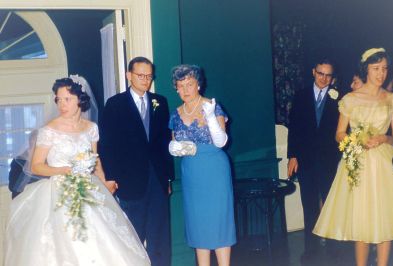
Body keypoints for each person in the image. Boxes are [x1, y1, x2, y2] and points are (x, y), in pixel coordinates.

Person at [4, 77, 150, 266]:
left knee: (102, 240)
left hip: (88, 189)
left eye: (67, 99)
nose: (61, 104)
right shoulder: (49, 130)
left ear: (80, 100)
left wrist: (105, 181)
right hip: (59, 192)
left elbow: (94, 160)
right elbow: (36, 166)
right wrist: (65, 170)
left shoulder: (91, 128)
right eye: (58, 99)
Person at [313, 48, 393, 266]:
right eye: (376, 69)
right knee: (361, 220)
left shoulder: (391, 98)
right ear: (366, 70)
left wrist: (383, 138)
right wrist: (358, 140)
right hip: (358, 163)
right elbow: (339, 134)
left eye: (384, 69)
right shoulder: (351, 99)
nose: (381, 74)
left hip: (383, 163)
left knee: (386, 220)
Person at [99, 56, 174, 266]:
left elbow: (164, 143)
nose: (145, 80)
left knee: (159, 234)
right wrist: (112, 177)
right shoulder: (115, 104)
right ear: (129, 75)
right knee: (133, 234)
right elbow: (107, 144)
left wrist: (167, 178)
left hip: (157, 179)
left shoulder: (161, 102)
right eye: (140, 75)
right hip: (129, 180)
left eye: (149, 76)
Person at [168, 64, 236, 266]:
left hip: (214, 170)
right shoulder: (175, 114)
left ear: (198, 84)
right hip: (192, 173)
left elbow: (221, 141)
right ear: (176, 88)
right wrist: (175, 147)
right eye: (181, 85)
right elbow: (176, 144)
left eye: (190, 84)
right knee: (199, 225)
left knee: (219, 223)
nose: (186, 89)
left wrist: (210, 118)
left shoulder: (212, 106)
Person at [287, 58, 341, 261]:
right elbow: (294, 128)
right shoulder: (301, 96)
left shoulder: (339, 98)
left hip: (329, 161)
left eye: (328, 75)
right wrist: (292, 155)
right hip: (306, 160)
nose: (324, 78)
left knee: (331, 204)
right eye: (320, 73)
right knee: (309, 205)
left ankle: (335, 249)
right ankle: (311, 250)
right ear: (313, 71)